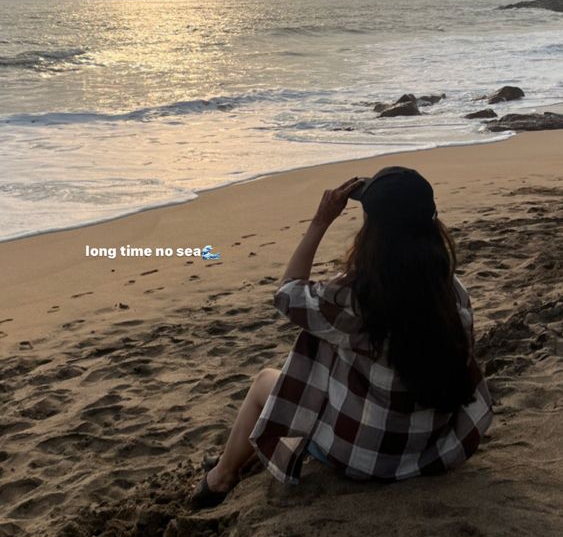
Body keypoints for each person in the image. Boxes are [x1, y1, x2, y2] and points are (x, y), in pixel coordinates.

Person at [191, 166, 492, 510]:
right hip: (429, 449)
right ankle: (226, 461)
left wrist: (320, 222)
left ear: (373, 231)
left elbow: (288, 295)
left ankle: (221, 477)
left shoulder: (354, 297)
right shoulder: (452, 294)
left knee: (265, 382)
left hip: (362, 457)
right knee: (338, 346)